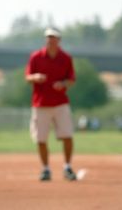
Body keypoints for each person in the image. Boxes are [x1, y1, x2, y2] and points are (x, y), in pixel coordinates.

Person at [25, 27, 77, 181]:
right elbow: (27, 77)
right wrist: (36, 77)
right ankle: (46, 169)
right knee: (41, 138)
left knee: (67, 135)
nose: (50, 40)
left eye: (53, 37)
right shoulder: (36, 57)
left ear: (59, 40)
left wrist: (63, 84)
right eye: (48, 37)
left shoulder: (66, 58)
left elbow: (72, 79)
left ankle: (67, 167)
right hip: (40, 103)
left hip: (60, 103)